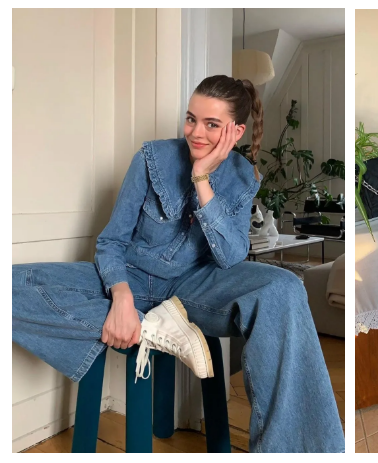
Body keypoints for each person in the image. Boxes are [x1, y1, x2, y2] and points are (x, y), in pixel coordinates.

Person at [12, 75, 344, 453]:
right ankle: (150, 325)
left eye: (212, 124)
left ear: (235, 132)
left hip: (195, 286)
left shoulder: (243, 177)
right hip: (132, 279)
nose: (196, 133)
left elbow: (230, 256)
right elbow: (111, 243)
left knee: (285, 287)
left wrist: (202, 178)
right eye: (191, 119)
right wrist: (121, 298)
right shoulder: (152, 158)